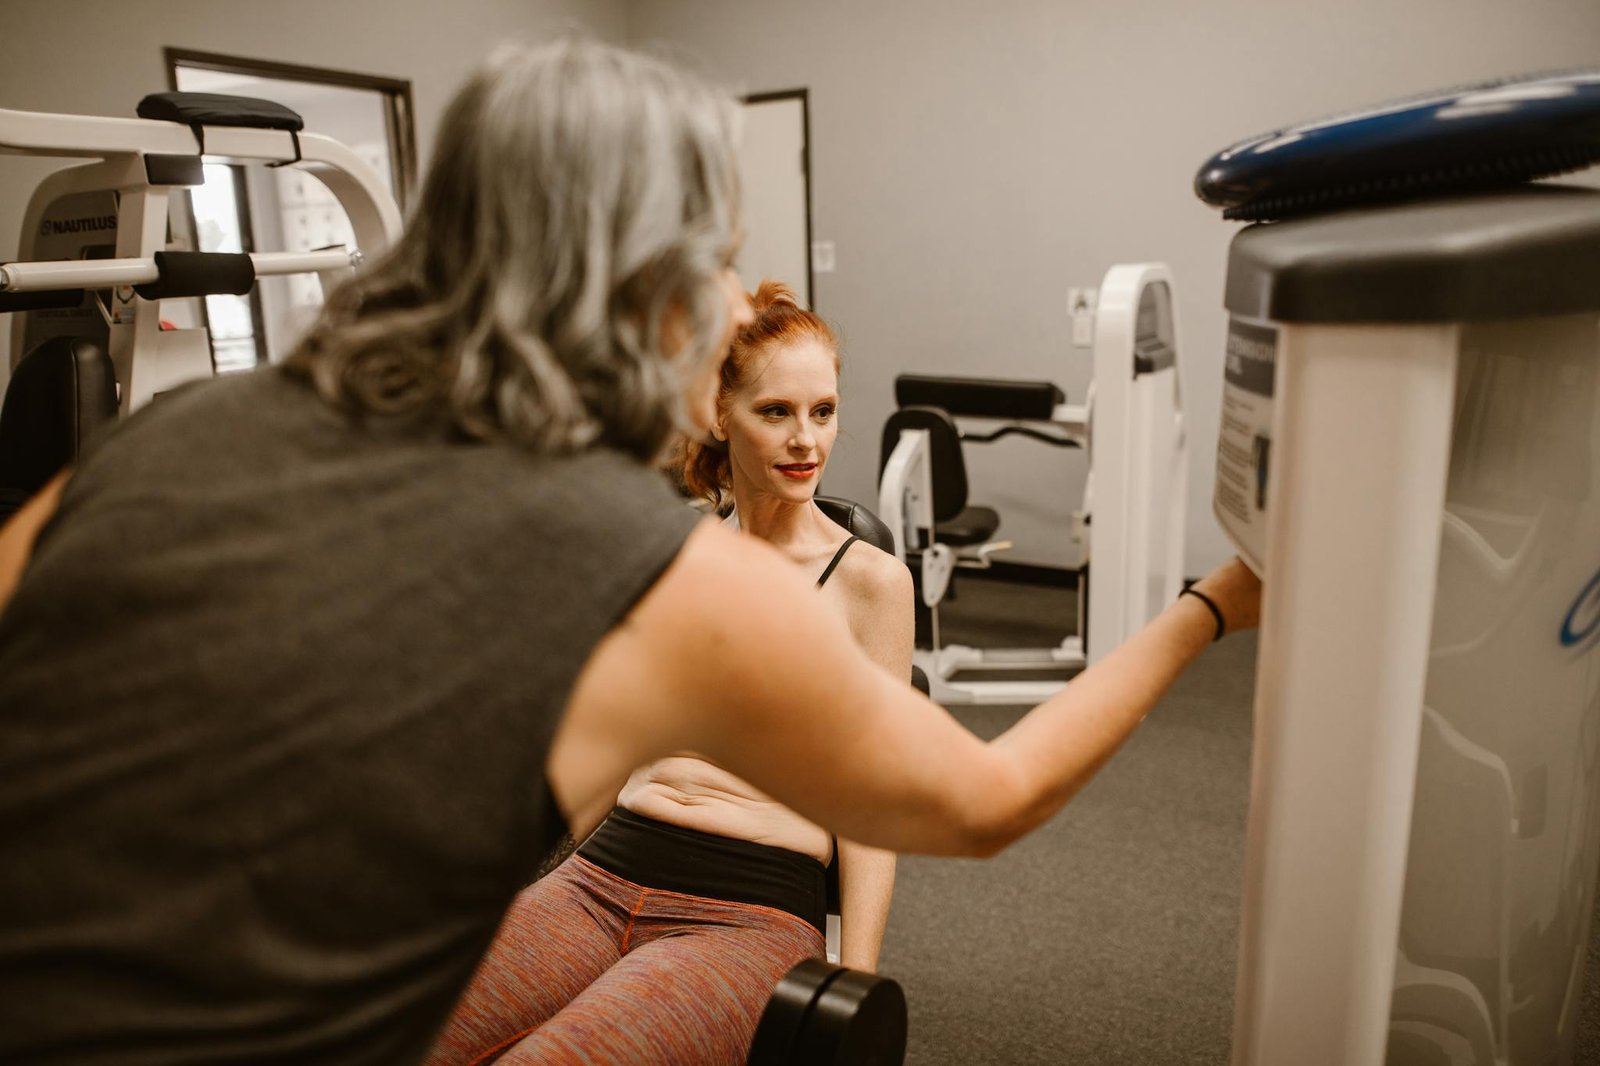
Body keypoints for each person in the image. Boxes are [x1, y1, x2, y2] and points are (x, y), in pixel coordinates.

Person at [0, 37, 1260, 1066]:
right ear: (642, 288)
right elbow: (992, 802)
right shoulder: (644, 564)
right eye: (714, 262)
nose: (730, 307)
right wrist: (1212, 601)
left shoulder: (173, 437)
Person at [426, 280, 911, 1065]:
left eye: (822, 412)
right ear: (722, 415)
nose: (806, 442)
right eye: (776, 412)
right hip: (602, 876)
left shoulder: (870, 584)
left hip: (748, 908)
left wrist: (853, 982)